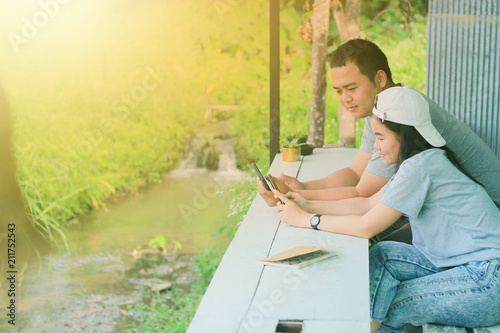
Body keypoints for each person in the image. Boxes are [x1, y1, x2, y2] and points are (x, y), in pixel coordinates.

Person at [272, 86, 500, 332]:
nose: (376, 148)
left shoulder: (421, 167)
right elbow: (367, 203)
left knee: (391, 306)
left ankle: (364, 327)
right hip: (461, 265)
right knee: (383, 254)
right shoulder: (421, 161)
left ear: (405, 135)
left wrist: (308, 220)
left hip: (488, 279)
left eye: (381, 138)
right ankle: (366, 325)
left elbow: (366, 226)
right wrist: (306, 204)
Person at [258, 39, 500, 214]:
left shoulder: (400, 117)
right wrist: (302, 187)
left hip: (485, 217)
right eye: (339, 91)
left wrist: (296, 198)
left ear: (380, 78)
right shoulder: (382, 109)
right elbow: (355, 173)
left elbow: (362, 193)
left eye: (352, 89)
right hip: (450, 216)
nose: (345, 98)